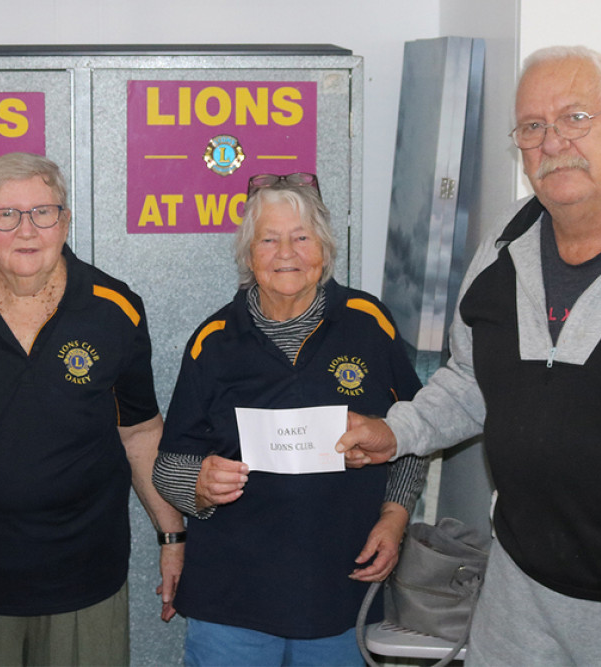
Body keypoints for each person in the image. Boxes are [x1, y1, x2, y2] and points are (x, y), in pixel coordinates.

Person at [337, 45, 601, 665]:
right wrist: (398, 433)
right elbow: (473, 381)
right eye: (533, 127)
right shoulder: (501, 248)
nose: (553, 142)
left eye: (575, 117)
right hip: (518, 594)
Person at [0, 152, 185, 666]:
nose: (26, 229)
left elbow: (141, 434)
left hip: (86, 577)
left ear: (64, 222)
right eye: (6, 214)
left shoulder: (115, 308)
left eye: (43, 211)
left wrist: (172, 535)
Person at [152, 172, 429, 666]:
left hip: (342, 594)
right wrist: (196, 484)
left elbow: (414, 430)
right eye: (269, 239)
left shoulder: (369, 324)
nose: (287, 253)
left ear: (324, 246)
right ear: (247, 254)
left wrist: (395, 516)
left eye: (301, 237)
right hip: (231, 603)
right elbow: (169, 465)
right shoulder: (212, 341)